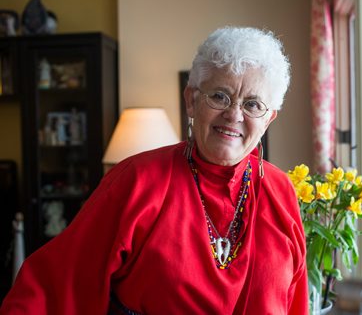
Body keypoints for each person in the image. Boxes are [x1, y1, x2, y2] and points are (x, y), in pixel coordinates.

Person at [0, 26, 308, 314]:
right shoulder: (137, 179)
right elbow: (53, 284)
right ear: (191, 100)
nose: (233, 115)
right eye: (219, 96)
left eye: (253, 104)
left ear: (268, 118)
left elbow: (296, 303)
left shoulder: (281, 191)